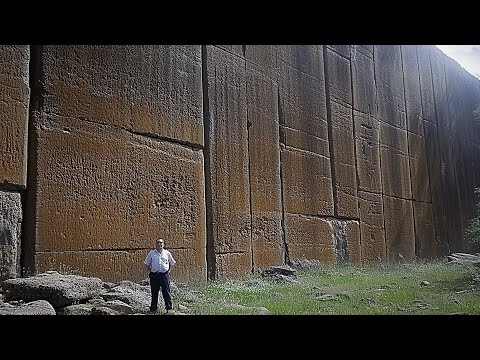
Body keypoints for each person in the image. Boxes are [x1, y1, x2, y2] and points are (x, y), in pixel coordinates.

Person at [144, 238, 176, 313]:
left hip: (164, 275)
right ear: (155, 244)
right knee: (154, 292)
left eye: (161, 243)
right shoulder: (151, 253)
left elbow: (172, 262)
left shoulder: (167, 253)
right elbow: (146, 263)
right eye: (158, 243)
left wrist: (169, 271)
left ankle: (169, 308)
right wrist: (151, 271)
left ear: (163, 244)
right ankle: (153, 309)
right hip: (154, 275)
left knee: (166, 291)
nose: (159, 244)